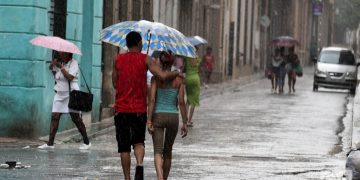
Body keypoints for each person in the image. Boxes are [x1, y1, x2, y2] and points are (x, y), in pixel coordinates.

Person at [112, 31, 180, 180]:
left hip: (121, 109)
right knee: (138, 142)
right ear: (139, 43)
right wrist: (175, 74)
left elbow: (114, 83)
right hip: (139, 110)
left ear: (127, 44)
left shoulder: (118, 59)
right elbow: (161, 76)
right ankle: (140, 163)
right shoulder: (146, 59)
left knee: (124, 148)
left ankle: (127, 178)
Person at [147, 51, 188, 180]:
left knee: (158, 151)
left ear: (161, 61)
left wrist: (149, 120)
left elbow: (152, 100)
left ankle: (159, 177)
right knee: (168, 151)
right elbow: (181, 102)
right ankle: (165, 178)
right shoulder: (179, 79)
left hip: (158, 116)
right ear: (172, 62)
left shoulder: (155, 78)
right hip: (173, 117)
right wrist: (185, 122)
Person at [38, 52, 91, 150]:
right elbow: (54, 72)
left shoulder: (73, 63)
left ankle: (86, 142)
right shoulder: (60, 62)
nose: (61, 54)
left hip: (71, 94)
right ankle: (50, 143)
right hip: (59, 93)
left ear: (68, 54)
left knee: (76, 119)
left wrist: (61, 68)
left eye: (62, 53)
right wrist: (53, 65)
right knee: (54, 116)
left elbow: (70, 77)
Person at [184, 46, 201, 127]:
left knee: (188, 100)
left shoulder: (187, 58)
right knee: (193, 101)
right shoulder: (198, 59)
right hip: (195, 79)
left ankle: (185, 120)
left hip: (188, 79)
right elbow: (199, 69)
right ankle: (189, 120)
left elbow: (183, 67)